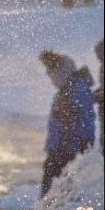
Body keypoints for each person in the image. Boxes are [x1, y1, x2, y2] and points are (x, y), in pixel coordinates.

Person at [38, 50, 96, 196]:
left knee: (53, 189)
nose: (51, 80)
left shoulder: (73, 92)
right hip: (65, 149)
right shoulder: (72, 89)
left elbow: (80, 125)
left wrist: (63, 150)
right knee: (58, 188)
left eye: (52, 75)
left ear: (61, 73)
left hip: (65, 151)